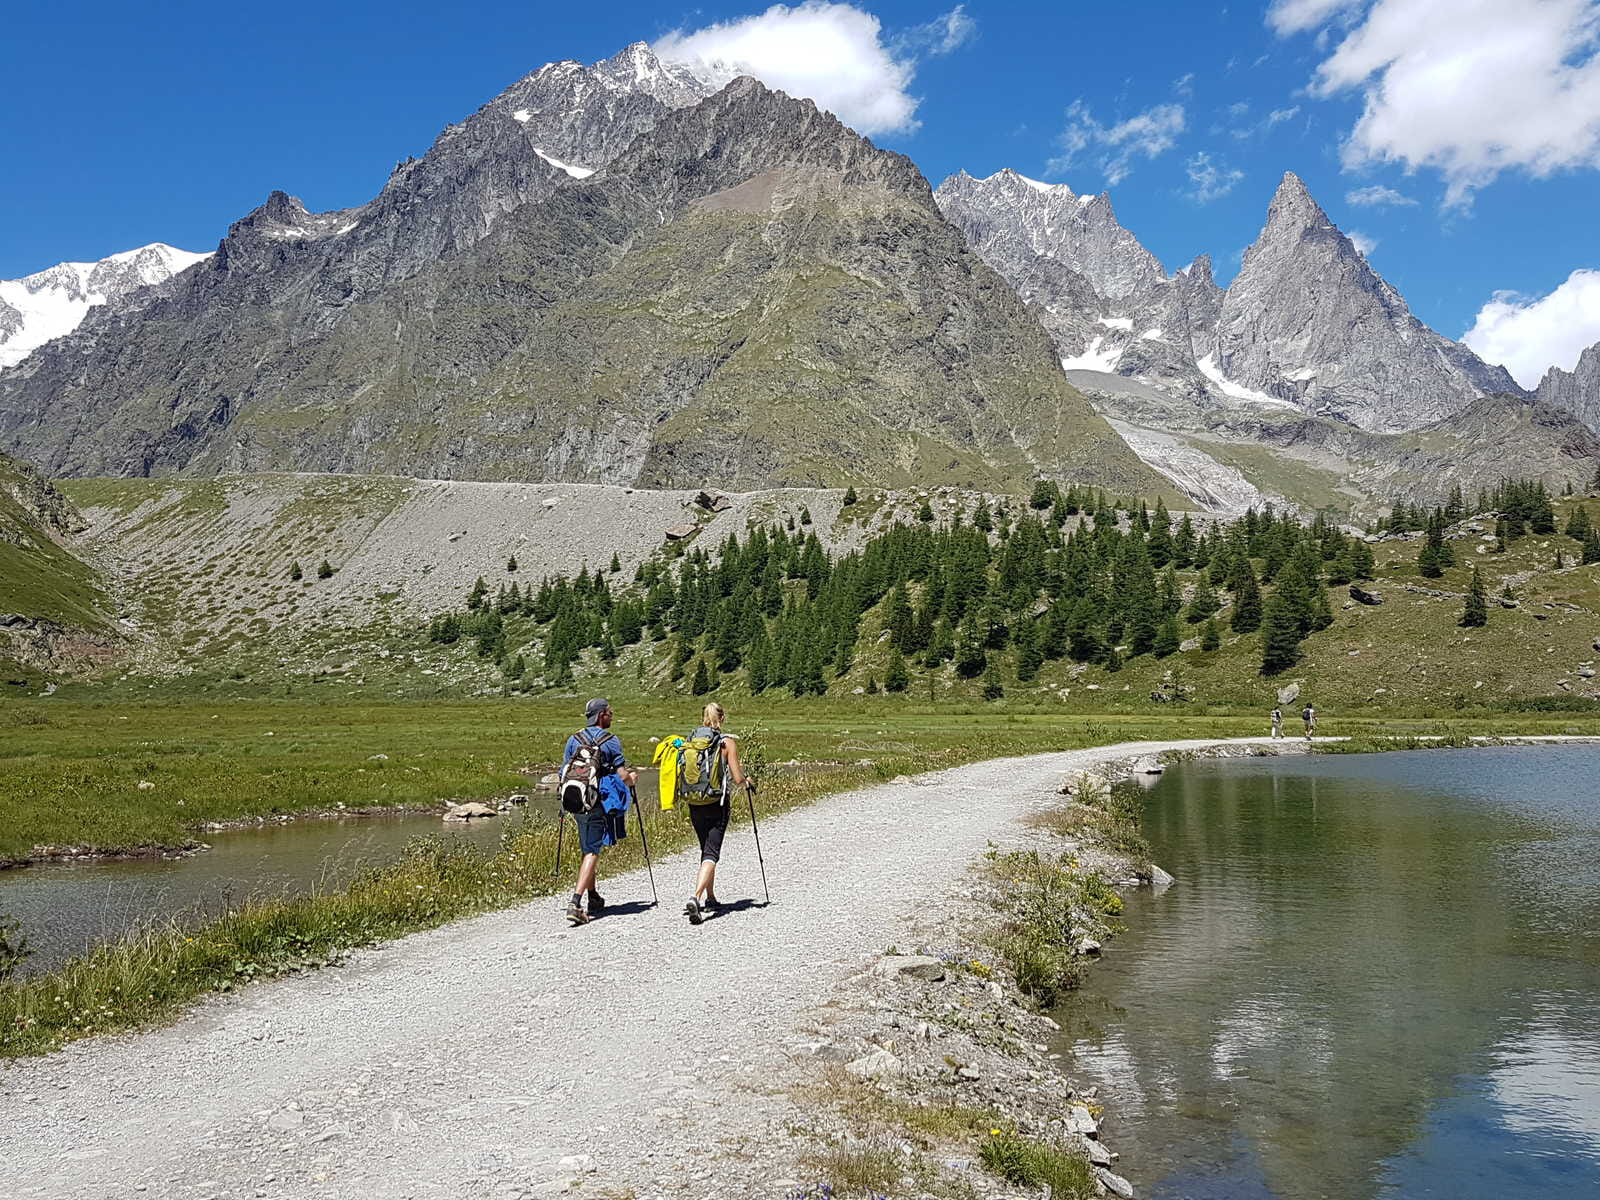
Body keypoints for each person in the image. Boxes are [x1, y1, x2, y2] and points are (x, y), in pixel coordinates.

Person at [562, 697, 636, 926]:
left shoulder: (574, 739)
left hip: (576, 802)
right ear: (602, 714)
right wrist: (631, 780)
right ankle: (576, 903)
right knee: (593, 850)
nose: (612, 715)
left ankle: (593, 897)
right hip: (597, 801)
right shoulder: (611, 741)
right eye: (610, 712)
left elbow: (563, 771)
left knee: (587, 848)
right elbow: (623, 775)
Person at [681, 702, 752, 927]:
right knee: (712, 852)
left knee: (706, 849)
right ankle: (696, 896)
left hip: (694, 801)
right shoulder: (726, 743)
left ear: (704, 718)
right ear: (722, 718)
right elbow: (737, 778)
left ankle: (710, 898)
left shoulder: (691, 742)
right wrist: (748, 782)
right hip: (717, 802)